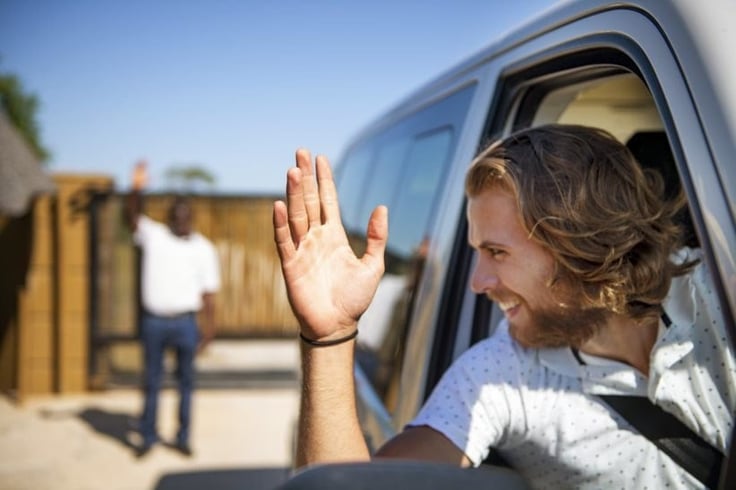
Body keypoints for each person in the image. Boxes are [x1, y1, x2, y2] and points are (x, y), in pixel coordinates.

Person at [272, 125, 735, 489]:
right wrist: (330, 335)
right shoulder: (496, 376)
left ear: (586, 247)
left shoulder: (718, 293)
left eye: (496, 252)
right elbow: (355, 488)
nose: (477, 282)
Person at [125, 160, 220, 458]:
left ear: (190, 218)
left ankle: (182, 437)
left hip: (185, 324)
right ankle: (149, 436)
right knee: (151, 381)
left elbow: (208, 294)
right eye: (175, 216)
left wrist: (210, 330)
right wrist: (136, 187)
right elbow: (131, 215)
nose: (180, 220)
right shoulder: (154, 235)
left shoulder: (203, 248)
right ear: (169, 218)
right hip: (154, 322)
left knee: (186, 384)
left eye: (184, 216)